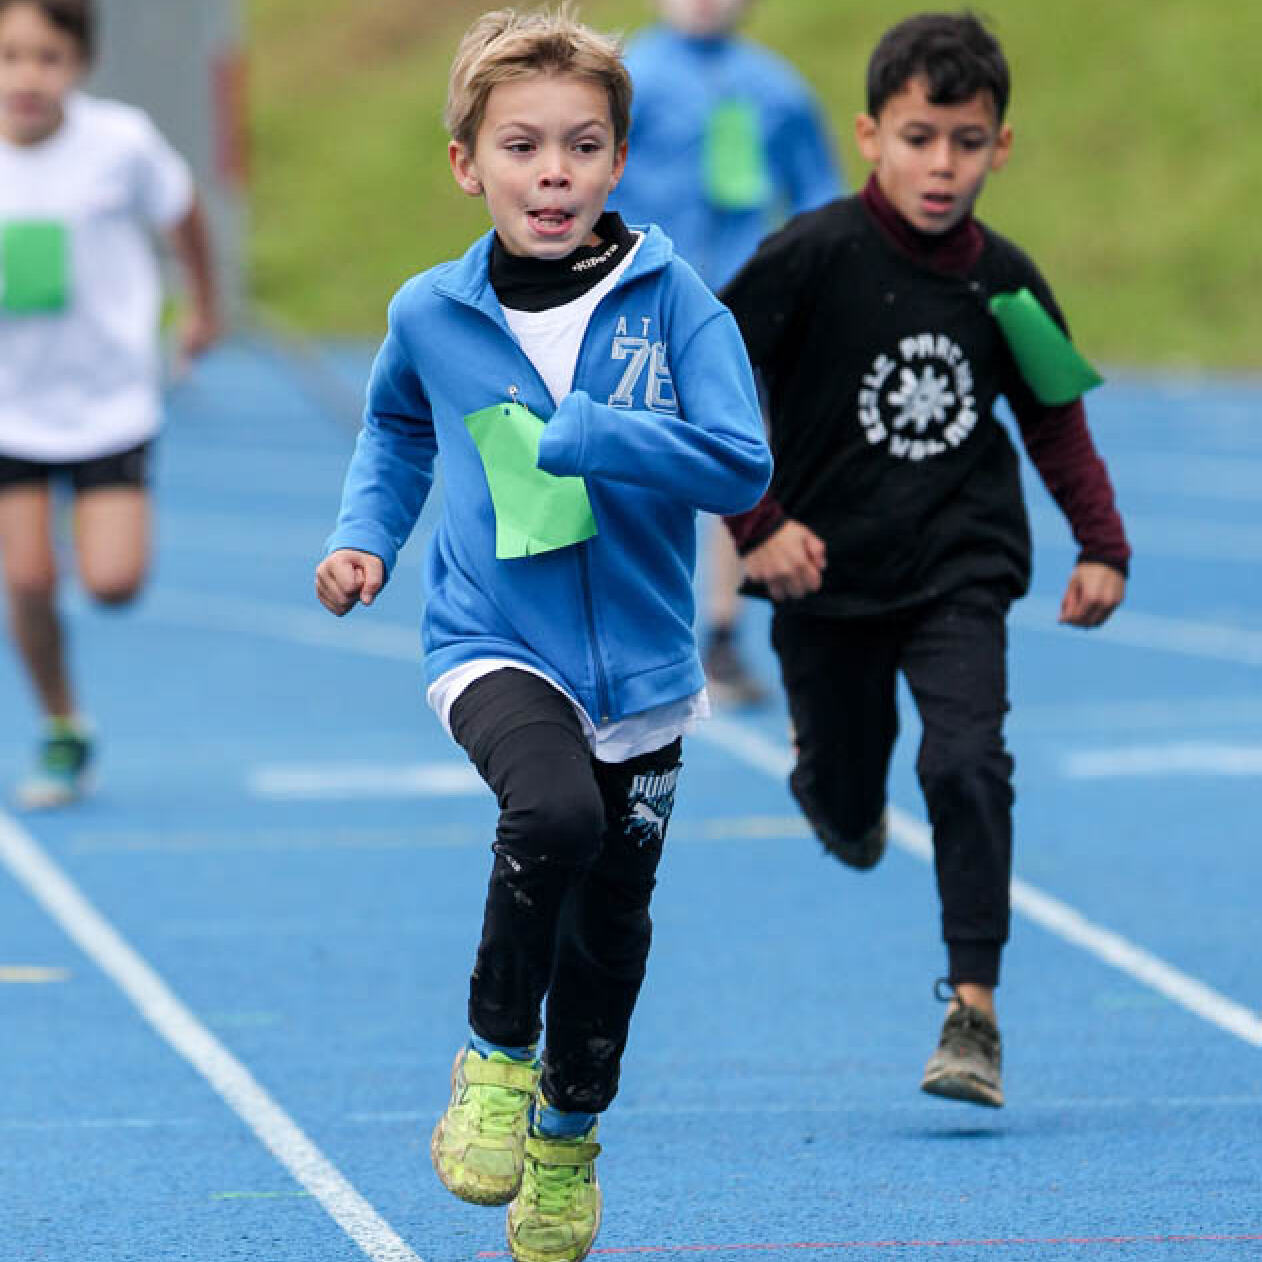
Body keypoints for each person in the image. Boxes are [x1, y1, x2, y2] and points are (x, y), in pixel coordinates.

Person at [314, 9, 770, 1259]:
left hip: (645, 666)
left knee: (610, 927)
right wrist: (365, 539)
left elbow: (740, 463)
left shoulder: (675, 304)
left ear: (618, 160)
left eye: (580, 145)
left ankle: (566, 1137)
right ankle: (493, 1052)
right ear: (468, 164)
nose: (552, 173)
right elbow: (397, 428)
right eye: (521, 146)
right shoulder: (431, 311)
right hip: (490, 637)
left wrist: (602, 435)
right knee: (553, 813)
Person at [719, 11, 1130, 1109]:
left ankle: (973, 1010)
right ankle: (835, 793)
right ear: (869, 137)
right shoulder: (809, 257)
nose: (941, 165)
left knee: (964, 761)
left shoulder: (1004, 281)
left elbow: (1053, 418)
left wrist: (1102, 544)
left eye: (965, 140)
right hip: (822, 575)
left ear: (1001, 146)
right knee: (845, 786)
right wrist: (758, 523)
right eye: (917, 138)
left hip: (959, 566)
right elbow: (704, 387)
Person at [0, 0, 220, 808]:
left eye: (48, 57)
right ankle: (63, 726)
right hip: (12, 410)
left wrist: (202, 306)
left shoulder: (120, 144)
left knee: (114, 583)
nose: (28, 76)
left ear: (81, 64)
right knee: (27, 579)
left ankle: (82, 531)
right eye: (10, 56)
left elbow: (185, 213)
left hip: (107, 405)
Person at [611, 0, 843, 706]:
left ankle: (720, 636)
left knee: (739, 459)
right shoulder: (625, 78)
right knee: (628, 463)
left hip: (739, 315)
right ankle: (618, 634)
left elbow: (819, 200)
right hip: (638, 303)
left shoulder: (778, 89)